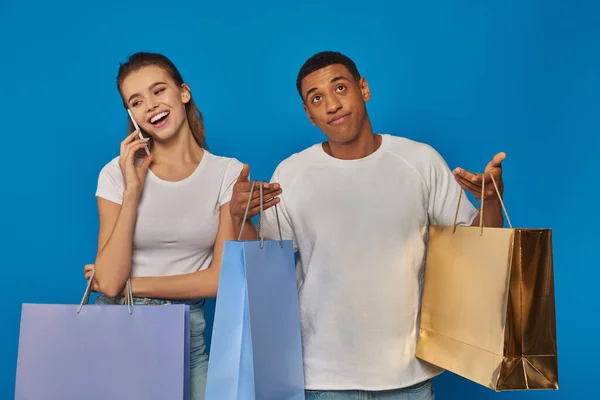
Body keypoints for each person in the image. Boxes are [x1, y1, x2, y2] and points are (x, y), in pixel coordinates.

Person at [229, 51, 507, 400]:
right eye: (317, 98)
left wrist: (492, 199)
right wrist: (238, 218)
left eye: (340, 88)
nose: (332, 104)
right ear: (309, 114)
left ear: (364, 89)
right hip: (322, 378)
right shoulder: (291, 174)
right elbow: (267, 269)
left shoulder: (420, 161)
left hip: (409, 375)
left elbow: (478, 251)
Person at [82, 52, 280, 400]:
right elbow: (109, 282)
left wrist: (133, 284)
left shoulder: (226, 173)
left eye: (159, 91)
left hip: (187, 332)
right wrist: (132, 190)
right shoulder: (115, 174)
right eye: (137, 101)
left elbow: (219, 281)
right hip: (116, 330)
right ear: (131, 115)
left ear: (183, 92)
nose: (151, 106)